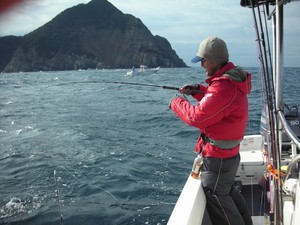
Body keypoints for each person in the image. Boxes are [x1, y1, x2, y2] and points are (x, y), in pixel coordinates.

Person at [169, 36, 253, 225]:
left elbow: (198, 117)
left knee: (217, 196)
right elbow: (218, 102)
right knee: (226, 190)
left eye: (203, 61)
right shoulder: (230, 81)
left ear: (213, 61)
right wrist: (198, 90)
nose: (202, 66)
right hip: (227, 156)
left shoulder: (223, 87)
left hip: (219, 159)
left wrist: (176, 103)